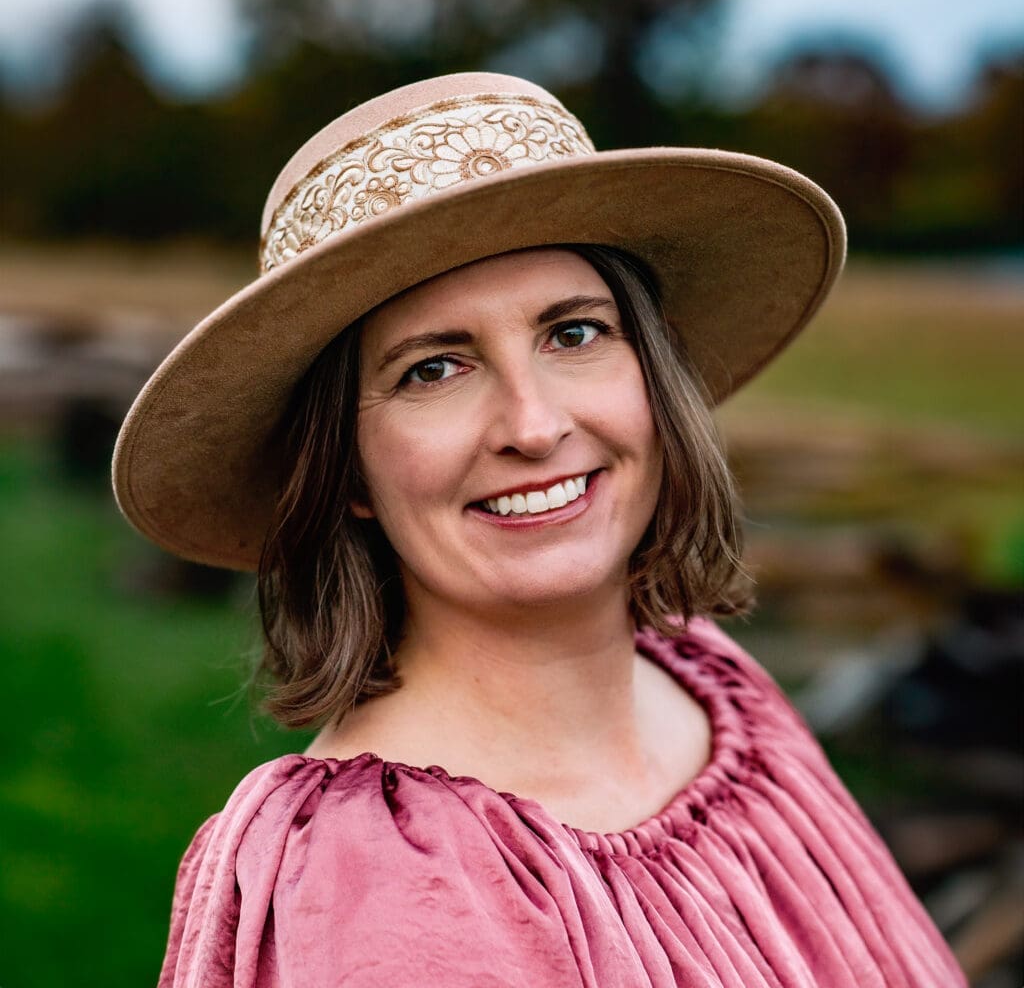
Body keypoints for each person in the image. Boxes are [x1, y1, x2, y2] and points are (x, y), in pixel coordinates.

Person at [112, 72, 967, 987]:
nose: (532, 425)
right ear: (348, 472)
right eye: (433, 368)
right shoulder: (376, 885)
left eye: (573, 334)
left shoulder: (719, 691)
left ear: (655, 373)